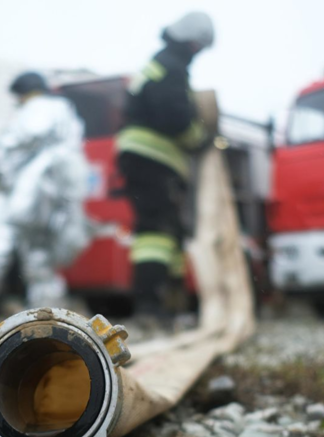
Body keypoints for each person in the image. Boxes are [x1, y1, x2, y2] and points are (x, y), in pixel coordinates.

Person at [0, 71, 90, 311]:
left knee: (2, 232)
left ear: (24, 93)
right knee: (37, 248)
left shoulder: (41, 107)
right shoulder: (64, 111)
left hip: (36, 189)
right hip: (56, 190)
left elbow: (27, 135)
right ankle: (47, 303)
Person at [116, 11, 215, 319]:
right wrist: (200, 139)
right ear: (190, 41)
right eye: (198, 46)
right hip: (152, 159)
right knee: (155, 232)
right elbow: (175, 119)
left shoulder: (161, 63)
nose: (197, 54)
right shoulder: (171, 67)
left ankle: (170, 304)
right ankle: (150, 306)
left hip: (147, 159)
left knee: (169, 233)